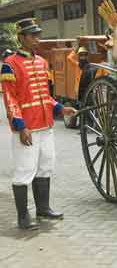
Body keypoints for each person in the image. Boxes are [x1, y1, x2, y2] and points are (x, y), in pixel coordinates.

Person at [0, 18, 77, 230]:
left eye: (38, 35)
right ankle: (23, 217)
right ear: (21, 38)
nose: (37, 39)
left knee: (45, 166)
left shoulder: (42, 62)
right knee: (25, 170)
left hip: (46, 124)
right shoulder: (10, 64)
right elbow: (10, 98)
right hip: (27, 128)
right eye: (32, 35)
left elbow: (45, 96)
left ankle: (43, 209)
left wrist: (61, 109)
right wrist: (20, 126)